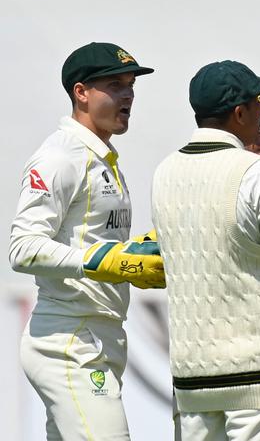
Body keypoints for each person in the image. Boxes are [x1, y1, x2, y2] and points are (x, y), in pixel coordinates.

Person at [151, 60, 260, 441]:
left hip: (193, 378)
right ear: (240, 113)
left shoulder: (164, 173)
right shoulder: (257, 171)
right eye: (259, 108)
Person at [9, 41, 165, 440]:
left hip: (102, 334)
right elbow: (23, 247)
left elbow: (101, 240)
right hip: (67, 337)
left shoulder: (103, 157)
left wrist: (137, 250)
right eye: (115, 85)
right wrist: (103, 260)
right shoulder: (60, 156)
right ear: (81, 92)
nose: (128, 94)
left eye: (131, 85)